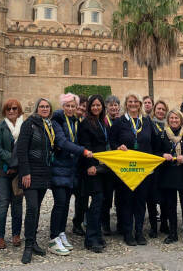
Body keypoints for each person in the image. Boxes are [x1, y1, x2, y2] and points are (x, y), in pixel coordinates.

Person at [109, 92, 157, 246]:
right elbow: (112, 141)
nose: (133, 104)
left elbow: (154, 143)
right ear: (126, 104)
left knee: (140, 201)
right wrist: (118, 147)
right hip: (127, 170)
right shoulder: (120, 122)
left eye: (136, 101)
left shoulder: (147, 121)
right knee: (127, 201)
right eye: (130, 102)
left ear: (140, 104)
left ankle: (139, 232)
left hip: (143, 170)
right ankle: (128, 233)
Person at [49, 93, 92, 256]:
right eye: (67, 105)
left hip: (71, 169)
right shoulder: (57, 121)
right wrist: (83, 151)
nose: (71, 108)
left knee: (65, 204)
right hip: (59, 168)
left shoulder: (75, 121)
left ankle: (60, 233)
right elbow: (61, 142)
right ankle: (53, 238)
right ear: (63, 106)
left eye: (73, 106)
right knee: (60, 203)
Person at [14, 98, 55, 264]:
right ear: (37, 108)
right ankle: (28, 246)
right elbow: (22, 150)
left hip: (44, 173)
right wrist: (25, 172)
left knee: (37, 208)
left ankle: (34, 241)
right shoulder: (28, 124)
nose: (44, 109)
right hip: (30, 173)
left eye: (47, 107)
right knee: (31, 207)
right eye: (42, 106)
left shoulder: (48, 125)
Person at [157, 109, 183, 246]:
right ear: (168, 120)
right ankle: (173, 233)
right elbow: (156, 152)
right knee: (170, 207)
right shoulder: (162, 135)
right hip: (169, 175)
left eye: (177, 118)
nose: (174, 120)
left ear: (181, 120)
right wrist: (162, 155)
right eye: (172, 118)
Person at [78, 95, 110, 252]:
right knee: (96, 202)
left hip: (104, 168)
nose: (96, 108)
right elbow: (86, 145)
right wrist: (90, 165)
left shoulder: (103, 122)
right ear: (89, 107)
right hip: (93, 168)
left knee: (101, 202)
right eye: (93, 105)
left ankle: (97, 234)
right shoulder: (86, 124)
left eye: (99, 105)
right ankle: (90, 238)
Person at [0, 99, 25, 249]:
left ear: (19, 111)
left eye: (14, 108)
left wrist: (17, 164)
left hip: (18, 172)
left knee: (17, 204)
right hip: (2, 171)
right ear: (4, 111)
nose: (11, 111)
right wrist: (13, 161)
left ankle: (16, 234)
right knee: (3, 203)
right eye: (8, 109)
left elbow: (26, 148)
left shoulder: (24, 127)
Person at [147, 100, 169, 238]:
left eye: (163, 109)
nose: (160, 111)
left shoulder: (169, 126)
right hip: (153, 166)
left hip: (166, 167)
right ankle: (153, 226)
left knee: (166, 197)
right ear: (154, 110)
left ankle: (164, 224)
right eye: (158, 109)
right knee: (151, 198)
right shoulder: (149, 125)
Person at [102, 95, 121, 235]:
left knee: (120, 196)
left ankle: (121, 223)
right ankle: (105, 224)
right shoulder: (103, 122)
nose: (114, 107)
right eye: (111, 105)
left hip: (120, 164)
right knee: (107, 196)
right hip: (107, 165)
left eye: (116, 105)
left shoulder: (122, 122)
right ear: (106, 108)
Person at [72, 95, 89, 236]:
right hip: (70, 165)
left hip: (81, 165)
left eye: (83, 106)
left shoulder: (83, 122)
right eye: (79, 105)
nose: (81, 108)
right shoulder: (69, 121)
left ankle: (77, 222)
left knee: (82, 197)